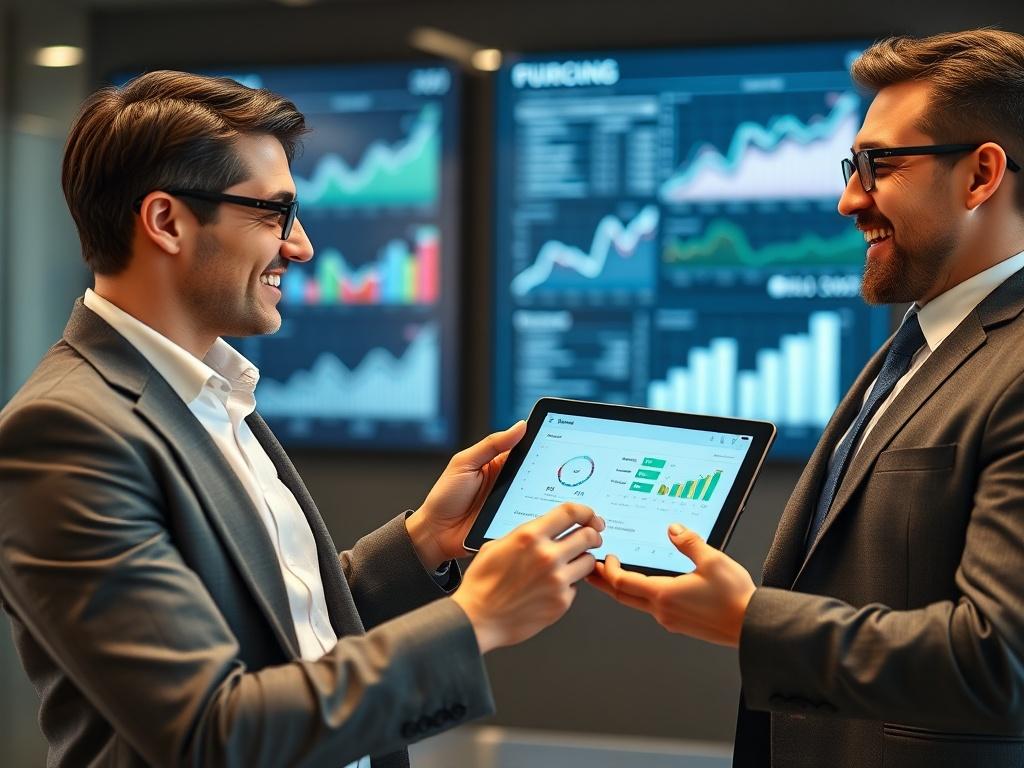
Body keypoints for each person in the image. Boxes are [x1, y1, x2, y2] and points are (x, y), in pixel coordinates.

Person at [0, 71, 604, 768]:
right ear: (166, 221)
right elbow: (210, 733)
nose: (301, 246)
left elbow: (282, 633)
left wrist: (422, 545)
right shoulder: (65, 436)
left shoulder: (209, 392)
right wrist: (474, 622)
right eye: (273, 213)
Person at [588, 28, 1024, 768]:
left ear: (981, 175)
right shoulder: (918, 345)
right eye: (851, 165)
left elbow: (998, 665)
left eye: (878, 165)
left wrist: (752, 620)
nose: (848, 197)